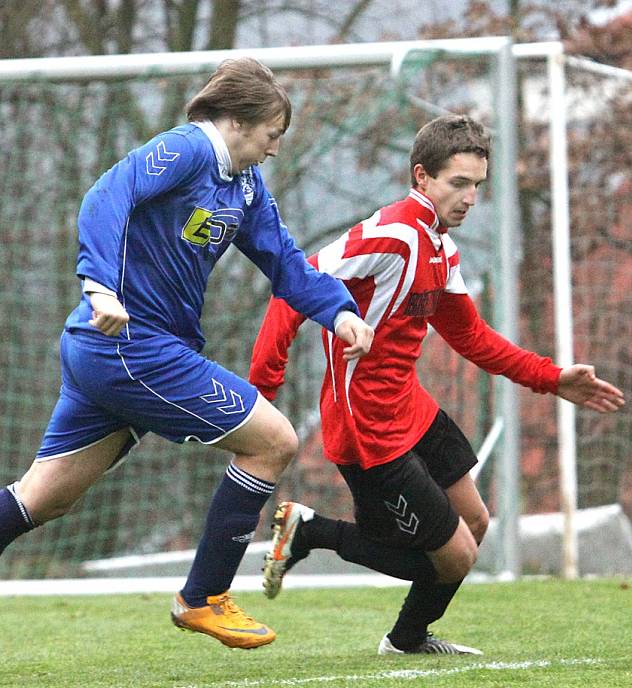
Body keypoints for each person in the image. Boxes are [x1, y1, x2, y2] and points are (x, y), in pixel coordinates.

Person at [0, 58, 373, 650]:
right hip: (129, 345)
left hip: (116, 354)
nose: (275, 149)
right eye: (272, 134)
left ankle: (202, 596)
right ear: (238, 121)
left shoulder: (244, 185)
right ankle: (203, 597)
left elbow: (283, 260)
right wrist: (100, 284)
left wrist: (339, 309)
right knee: (274, 441)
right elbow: (107, 194)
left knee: (43, 497)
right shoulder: (189, 150)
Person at [249, 114, 625, 655]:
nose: (471, 197)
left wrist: (552, 377)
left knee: (475, 523)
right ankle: (309, 531)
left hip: (413, 409)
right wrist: (264, 388)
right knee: (454, 557)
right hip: (367, 427)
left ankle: (406, 638)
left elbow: (472, 337)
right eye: (459, 183)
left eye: (478, 185)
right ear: (422, 177)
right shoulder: (394, 234)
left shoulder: (440, 247)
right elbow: (292, 289)